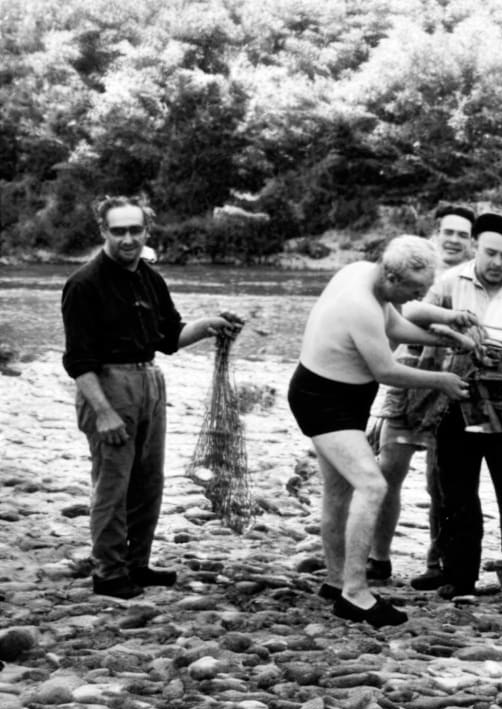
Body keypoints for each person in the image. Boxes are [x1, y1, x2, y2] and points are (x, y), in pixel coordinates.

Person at [61, 195, 244, 600]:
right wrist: (104, 412)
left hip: (150, 380)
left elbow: (169, 338)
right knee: (113, 484)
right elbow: (78, 360)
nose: (128, 238)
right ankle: (108, 573)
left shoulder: (150, 277)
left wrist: (211, 324)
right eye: (119, 231)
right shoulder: (83, 284)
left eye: (135, 230)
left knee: (148, 481)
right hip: (107, 386)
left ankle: (136, 564)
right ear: (103, 231)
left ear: (147, 231)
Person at [288, 235, 473, 627]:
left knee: (338, 491)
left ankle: (336, 581)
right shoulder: (359, 305)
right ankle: (356, 593)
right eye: (414, 290)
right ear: (392, 277)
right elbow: (386, 370)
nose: (416, 298)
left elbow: (395, 322)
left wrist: (444, 333)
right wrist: (441, 380)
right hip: (323, 401)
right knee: (371, 485)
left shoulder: (364, 276)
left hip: (341, 397)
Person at [406, 211, 502, 599]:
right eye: (490, 253)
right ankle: (458, 575)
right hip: (457, 398)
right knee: (455, 489)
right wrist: (448, 323)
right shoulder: (450, 281)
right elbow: (411, 312)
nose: (496, 263)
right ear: (477, 247)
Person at [368, 205, 476, 584]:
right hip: (408, 373)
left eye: (463, 235)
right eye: (449, 232)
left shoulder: (472, 277)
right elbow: (407, 311)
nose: (454, 240)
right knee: (388, 469)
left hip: (449, 380)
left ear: (472, 242)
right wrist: (448, 318)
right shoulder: (415, 267)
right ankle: (378, 557)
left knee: (441, 480)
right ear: (436, 233)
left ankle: (437, 561)